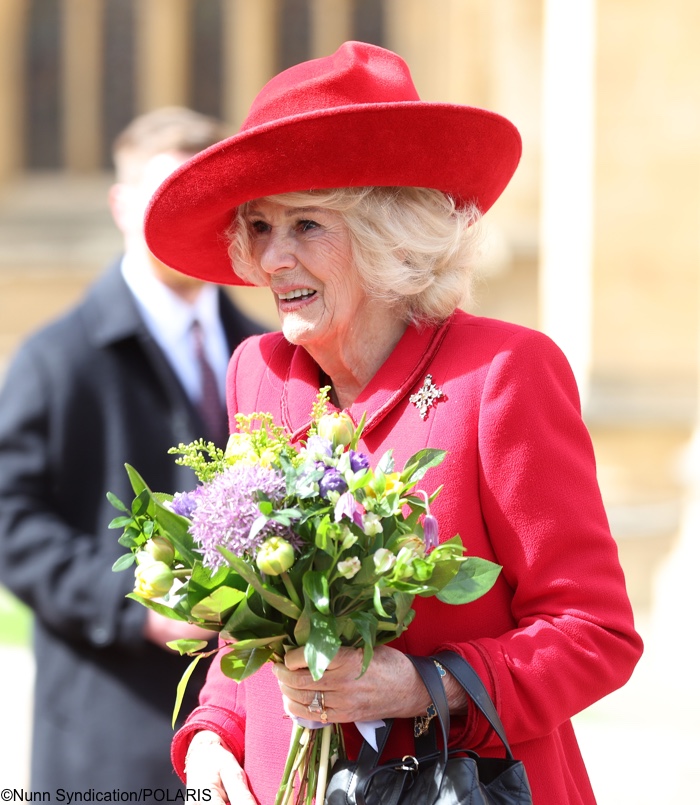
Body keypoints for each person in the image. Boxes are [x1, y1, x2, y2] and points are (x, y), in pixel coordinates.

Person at [143, 43, 644, 804]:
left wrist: (422, 685)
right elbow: (249, 620)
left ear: (391, 236)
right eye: (260, 226)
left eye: (306, 224)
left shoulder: (503, 373)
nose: (272, 258)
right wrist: (214, 731)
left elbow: (594, 632)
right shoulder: (258, 372)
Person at [0, 107, 265, 791]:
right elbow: (10, 521)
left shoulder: (270, 354)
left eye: (204, 200)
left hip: (251, 733)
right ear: (122, 206)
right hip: (110, 727)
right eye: (163, 198)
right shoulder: (54, 360)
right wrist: (135, 604)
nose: (185, 221)